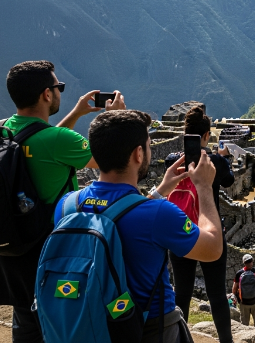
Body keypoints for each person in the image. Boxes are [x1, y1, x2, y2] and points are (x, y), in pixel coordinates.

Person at [53, 110, 224, 343]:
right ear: (138, 153)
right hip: (149, 328)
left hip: (89, 323)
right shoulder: (159, 214)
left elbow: (120, 214)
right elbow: (212, 248)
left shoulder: (67, 206)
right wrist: (204, 187)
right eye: (149, 145)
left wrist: (160, 190)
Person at [0, 60, 124, 343]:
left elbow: (42, 140)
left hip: (12, 249)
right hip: (50, 252)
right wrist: (115, 119)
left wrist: (76, 113)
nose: (59, 92)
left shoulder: (4, 131)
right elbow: (109, 159)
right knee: (58, 328)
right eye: (59, 87)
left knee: (26, 325)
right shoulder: (59, 140)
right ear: (47, 94)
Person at [162, 106, 235, 343]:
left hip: (180, 231)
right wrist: (224, 158)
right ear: (206, 135)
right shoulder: (214, 162)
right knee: (217, 294)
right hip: (207, 231)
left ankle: (177, 339)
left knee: (182, 292)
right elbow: (229, 180)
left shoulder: (172, 161)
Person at [232, 254, 255, 327]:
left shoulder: (239, 273)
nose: (250, 263)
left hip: (244, 302)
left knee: (244, 325)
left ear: (244, 263)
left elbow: (234, 288)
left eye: (250, 261)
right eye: (249, 261)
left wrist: (234, 296)